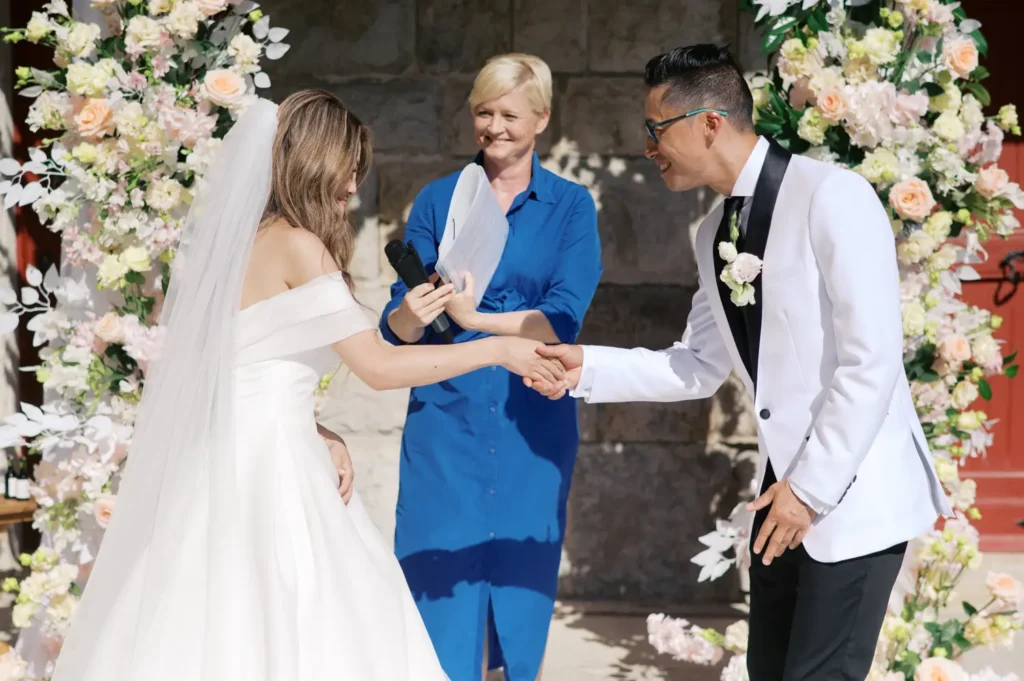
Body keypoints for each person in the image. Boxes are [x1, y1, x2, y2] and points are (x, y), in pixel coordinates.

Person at [49, 89, 565, 681]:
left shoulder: (245, 246)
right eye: (348, 170)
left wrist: (317, 425)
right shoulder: (300, 246)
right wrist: (499, 349)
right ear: (317, 164)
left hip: (222, 462)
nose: (353, 188)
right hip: (274, 472)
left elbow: (240, 368)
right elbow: (377, 367)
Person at [527, 45, 954, 681]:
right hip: (778, 497)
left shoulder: (833, 195)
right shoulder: (712, 234)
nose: (648, 147)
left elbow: (871, 362)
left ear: (708, 122)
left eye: (655, 130)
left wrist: (807, 493)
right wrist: (583, 368)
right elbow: (698, 364)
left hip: (850, 495)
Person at [379, 54, 602, 681]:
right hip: (444, 420)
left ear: (542, 119)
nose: (494, 126)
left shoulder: (570, 207)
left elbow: (561, 320)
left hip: (532, 418)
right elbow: (393, 325)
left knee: (520, 583)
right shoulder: (437, 199)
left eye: (509, 113)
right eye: (483, 111)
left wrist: (475, 320)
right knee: (435, 580)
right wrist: (413, 315)